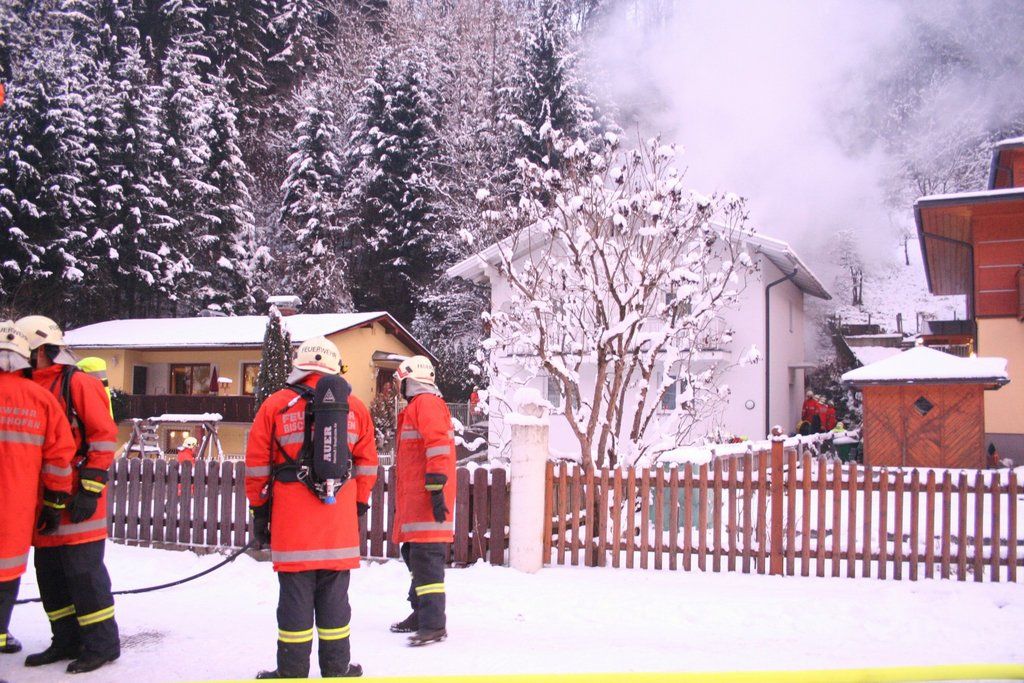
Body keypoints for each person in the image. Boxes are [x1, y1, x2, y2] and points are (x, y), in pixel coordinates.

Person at [245, 336, 378, 679]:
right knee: (335, 604)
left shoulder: (276, 405)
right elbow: (367, 464)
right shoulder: (355, 408)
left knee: (294, 604)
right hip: (338, 525)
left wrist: (260, 510)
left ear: (299, 366)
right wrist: (359, 502)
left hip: (293, 528)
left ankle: (291, 672)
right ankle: (337, 669)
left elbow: (257, 464)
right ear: (335, 367)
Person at [15, 315, 121, 673]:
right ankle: (65, 639)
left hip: (77, 499)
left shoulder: (77, 384)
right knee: (50, 575)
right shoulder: (25, 385)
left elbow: (103, 437)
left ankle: (102, 644)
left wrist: (89, 489)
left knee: (84, 574)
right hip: (43, 499)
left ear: (43, 350)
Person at [0, 321, 75, 662]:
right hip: (14, 513)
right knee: (5, 577)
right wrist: (55, 501)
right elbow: (60, 457)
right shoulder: (40, 399)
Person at [389, 356, 456, 647]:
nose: (397, 387)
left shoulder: (426, 404)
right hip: (419, 501)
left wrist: (436, 487)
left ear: (409, 380)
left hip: (428, 501)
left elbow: (437, 445)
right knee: (414, 555)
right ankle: (420, 614)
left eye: (399, 381)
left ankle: (433, 625)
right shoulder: (419, 406)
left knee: (426, 561)